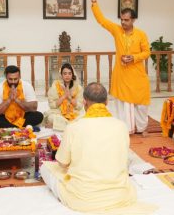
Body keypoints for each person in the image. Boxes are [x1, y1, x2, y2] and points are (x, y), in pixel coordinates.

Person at [40, 82, 156, 214]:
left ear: (84, 102)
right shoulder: (121, 126)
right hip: (119, 196)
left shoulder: (73, 127)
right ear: (106, 102)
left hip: (83, 199)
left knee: (46, 168)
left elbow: (62, 163)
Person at [89, 0, 151, 134]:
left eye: (126, 20)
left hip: (137, 74)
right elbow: (102, 20)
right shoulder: (117, 31)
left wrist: (134, 58)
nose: (123, 22)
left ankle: (141, 128)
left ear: (133, 20)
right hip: (122, 74)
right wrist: (94, 3)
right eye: (122, 19)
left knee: (141, 104)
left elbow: (147, 52)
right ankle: (126, 128)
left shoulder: (141, 34)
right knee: (123, 103)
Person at [43, 63, 83, 131]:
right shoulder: (55, 86)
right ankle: (71, 126)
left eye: (69, 73)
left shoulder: (78, 88)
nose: (67, 76)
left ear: (72, 75)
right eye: (65, 73)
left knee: (82, 117)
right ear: (61, 75)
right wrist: (64, 96)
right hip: (59, 112)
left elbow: (79, 106)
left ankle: (57, 126)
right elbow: (52, 105)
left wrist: (69, 98)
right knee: (51, 117)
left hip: (74, 112)